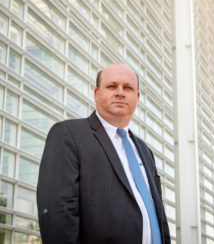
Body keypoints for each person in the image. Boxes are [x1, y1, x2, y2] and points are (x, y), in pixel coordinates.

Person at [37, 63, 170, 244]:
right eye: (112, 86)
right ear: (96, 94)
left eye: (128, 88)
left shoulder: (145, 152)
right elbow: (58, 212)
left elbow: (158, 217)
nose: (120, 92)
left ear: (137, 97)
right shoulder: (68, 135)